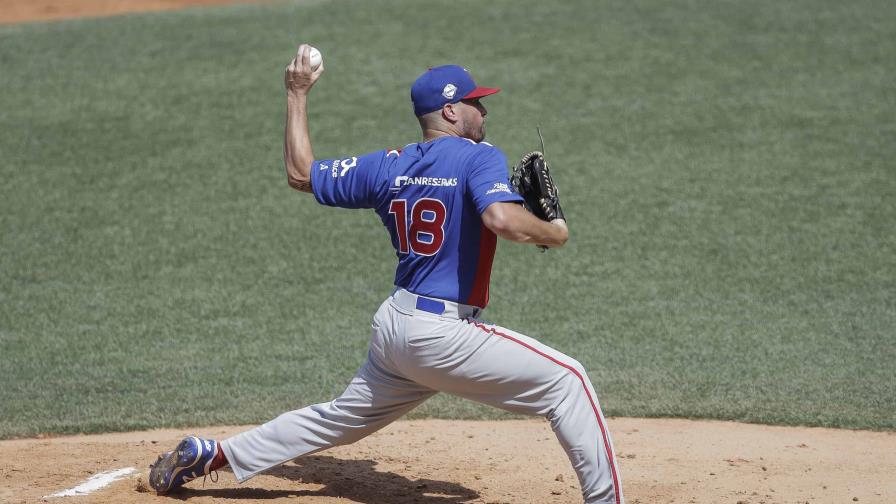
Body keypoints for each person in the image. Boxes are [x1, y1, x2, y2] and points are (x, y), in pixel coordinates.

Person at [149, 44, 624, 504]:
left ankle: (214, 456)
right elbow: (500, 220)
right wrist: (553, 232)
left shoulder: (387, 166)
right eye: (476, 102)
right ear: (452, 112)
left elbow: (300, 173)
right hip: (441, 335)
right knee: (569, 382)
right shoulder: (479, 156)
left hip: (396, 329)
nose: (485, 111)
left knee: (337, 419)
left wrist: (297, 93)